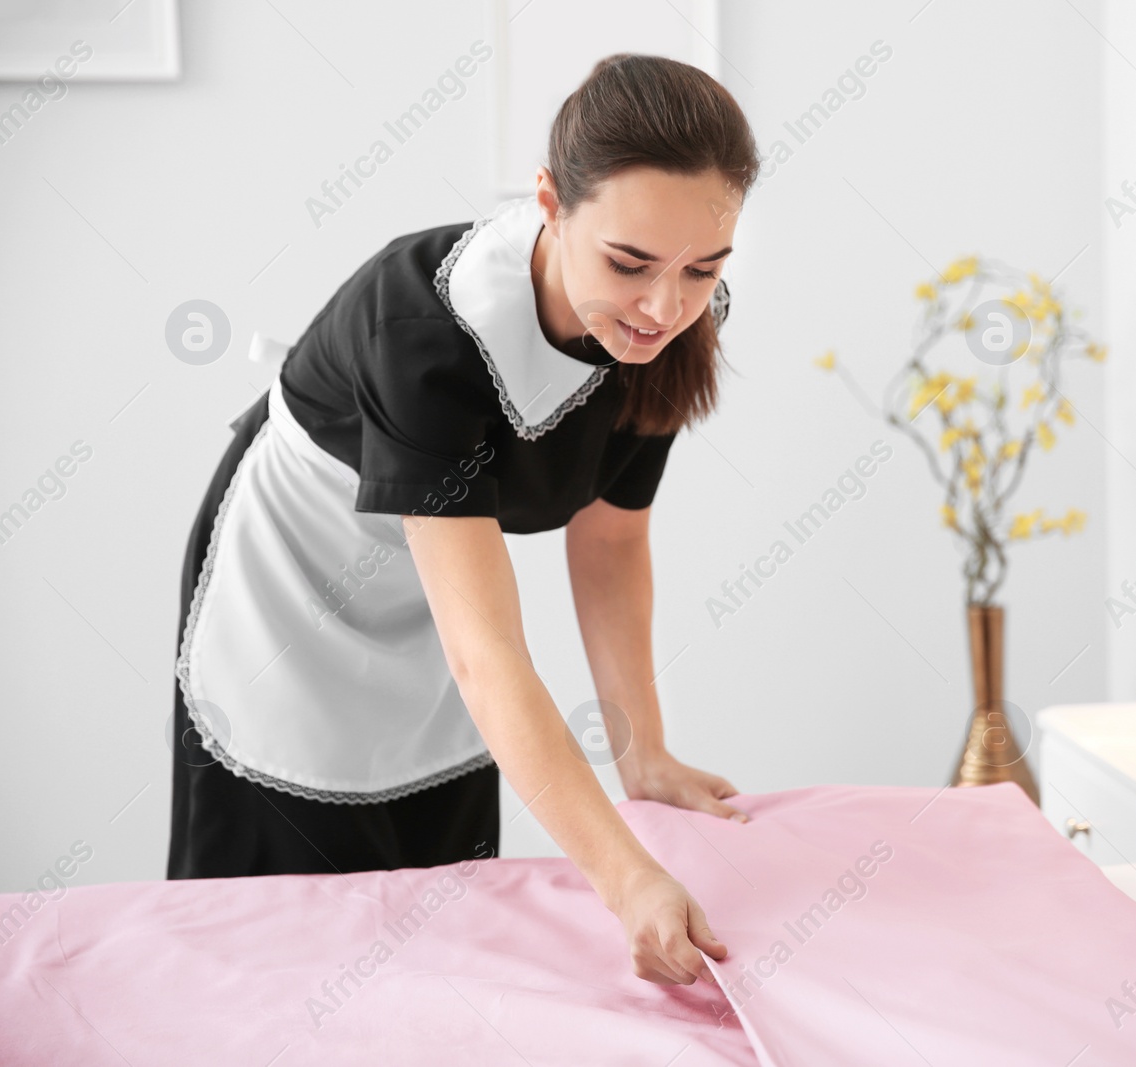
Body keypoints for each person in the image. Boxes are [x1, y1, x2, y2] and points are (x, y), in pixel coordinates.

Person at [167, 53, 758, 987]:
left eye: (703, 268)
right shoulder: (424, 329)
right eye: (630, 262)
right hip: (295, 583)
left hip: (443, 599)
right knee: (280, 945)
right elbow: (487, 656)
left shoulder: (664, 326)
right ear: (551, 202)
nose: (663, 306)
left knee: (437, 925)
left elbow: (609, 539)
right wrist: (627, 879)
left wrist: (644, 756)